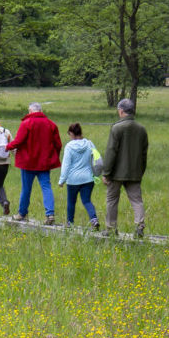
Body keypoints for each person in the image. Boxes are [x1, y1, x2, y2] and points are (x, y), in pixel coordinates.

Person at [101, 97, 150, 238]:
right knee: (137, 200)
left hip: (116, 173)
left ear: (121, 111)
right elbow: (144, 153)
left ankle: (111, 228)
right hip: (135, 172)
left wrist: (106, 173)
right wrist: (140, 171)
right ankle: (140, 226)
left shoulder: (117, 128)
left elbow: (111, 151)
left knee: (112, 200)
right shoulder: (142, 129)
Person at [6, 102, 61, 224]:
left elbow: (18, 141)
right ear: (40, 111)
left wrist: (7, 147)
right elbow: (58, 144)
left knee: (26, 189)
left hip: (28, 162)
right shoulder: (51, 124)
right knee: (46, 187)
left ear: (30, 111)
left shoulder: (26, 123)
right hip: (44, 163)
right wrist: (53, 156)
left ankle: (22, 214)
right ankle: (50, 214)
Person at [56, 122, 101, 230]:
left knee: (71, 202)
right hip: (88, 178)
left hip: (73, 180)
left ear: (71, 133)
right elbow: (97, 158)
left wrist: (62, 180)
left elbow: (66, 165)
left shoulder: (69, 146)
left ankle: (69, 223)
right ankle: (94, 219)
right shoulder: (89, 144)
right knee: (86, 200)